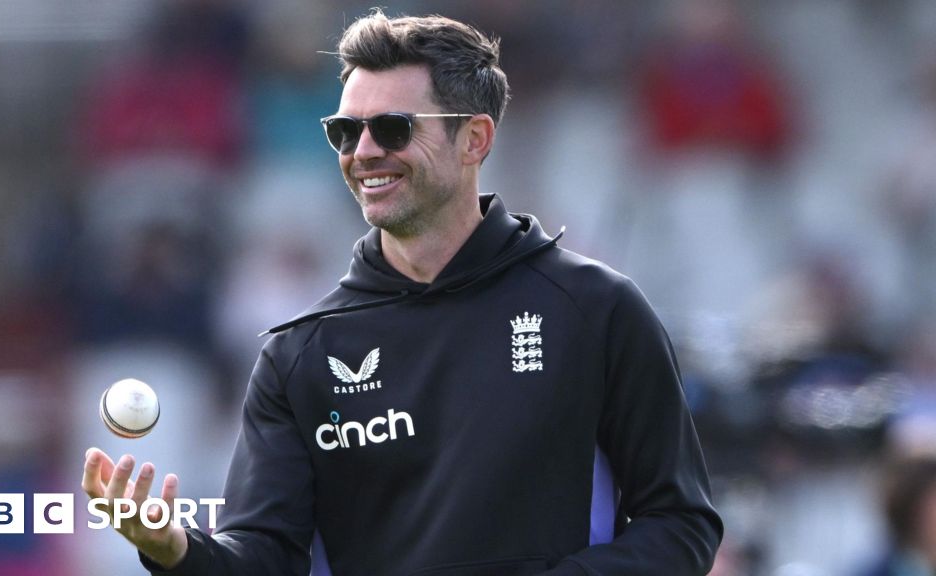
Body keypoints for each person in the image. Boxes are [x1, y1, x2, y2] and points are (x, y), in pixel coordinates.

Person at [81, 10, 723, 575]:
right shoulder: (300, 355)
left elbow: (681, 526)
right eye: (344, 132)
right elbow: (265, 557)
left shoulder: (596, 308)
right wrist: (173, 548)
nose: (363, 153)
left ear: (474, 139)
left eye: (391, 128)